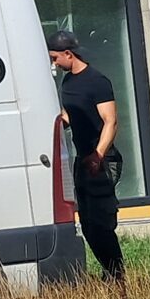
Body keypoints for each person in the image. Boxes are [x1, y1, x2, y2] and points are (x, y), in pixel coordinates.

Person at [47, 29, 126, 283]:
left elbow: (111, 121)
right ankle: (109, 273)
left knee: (102, 221)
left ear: (68, 54)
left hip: (101, 160)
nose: (54, 63)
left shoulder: (97, 81)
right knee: (88, 224)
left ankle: (118, 275)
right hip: (82, 160)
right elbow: (71, 116)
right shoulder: (68, 82)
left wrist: (98, 155)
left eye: (55, 58)